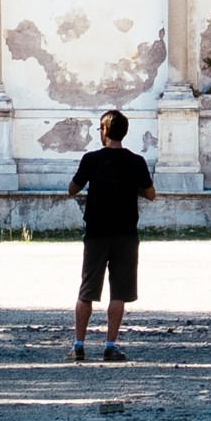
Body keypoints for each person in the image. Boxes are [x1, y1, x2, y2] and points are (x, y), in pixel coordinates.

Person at [67, 108, 156, 361]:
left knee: (87, 290)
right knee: (119, 292)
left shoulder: (91, 159)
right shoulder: (136, 161)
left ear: (104, 131)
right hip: (126, 233)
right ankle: (109, 345)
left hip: (96, 232)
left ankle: (78, 344)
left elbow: (72, 189)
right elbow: (151, 194)